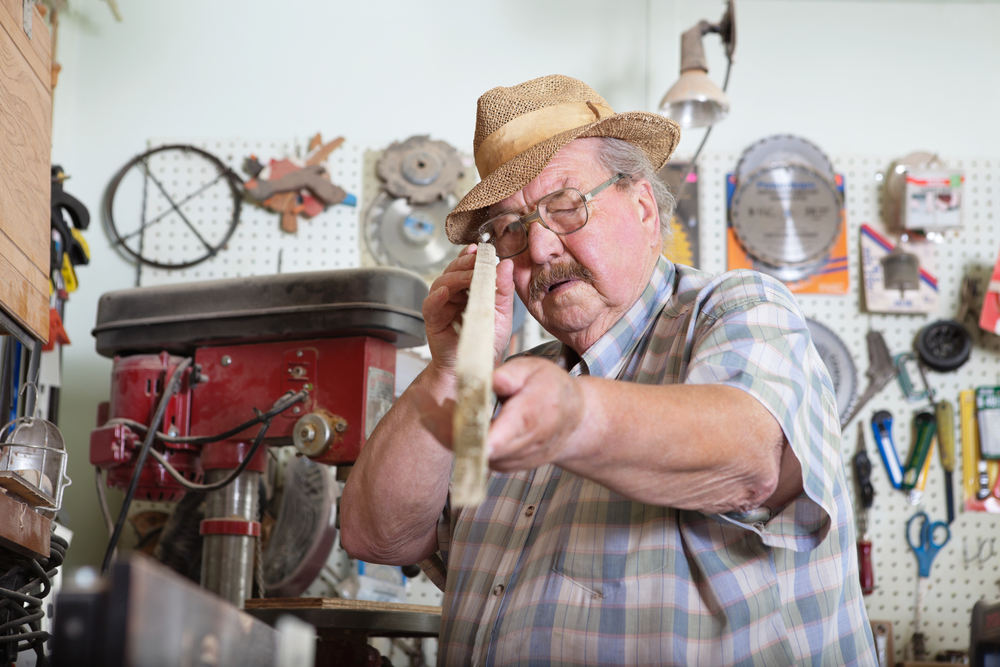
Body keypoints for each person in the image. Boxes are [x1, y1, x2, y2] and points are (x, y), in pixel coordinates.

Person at [341, 75, 876, 666]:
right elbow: (376, 536)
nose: (539, 249)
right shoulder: (502, 386)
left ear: (643, 206)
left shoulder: (737, 308)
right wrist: (450, 370)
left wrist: (572, 418)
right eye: (511, 230)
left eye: (565, 208)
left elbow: (746, 459)